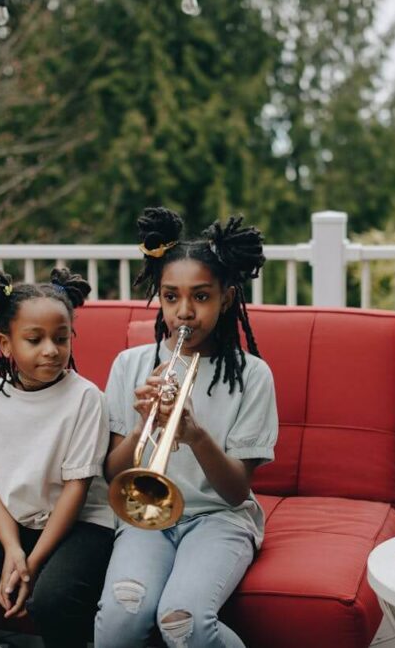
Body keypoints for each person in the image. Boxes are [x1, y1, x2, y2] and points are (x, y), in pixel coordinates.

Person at [95, 207, 279, 648]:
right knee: (121, 618)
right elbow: (112, 474)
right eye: (171, 296)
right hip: (146, 515)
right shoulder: (130, 365)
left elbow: (236, 491)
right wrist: (143, 426)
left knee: (183, 621)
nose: (185, 312)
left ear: (227, 298)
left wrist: (194, 434)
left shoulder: (253, 375)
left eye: (201, 297)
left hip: (219, 518)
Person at [0, 267, 114, 648]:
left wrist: (31, 566)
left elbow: (77, 489)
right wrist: (13, 550)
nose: (51, 350)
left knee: (52, 600)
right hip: (23, 522)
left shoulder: (86, 398)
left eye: (61, 338)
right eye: (34, 340)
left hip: (85, 522)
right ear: (5, 344)